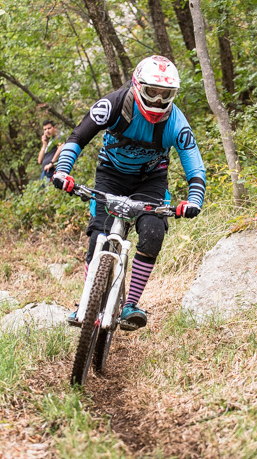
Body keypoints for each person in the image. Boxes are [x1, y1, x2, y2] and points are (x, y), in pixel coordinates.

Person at [52, 55, 206, 330]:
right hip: (110, 175)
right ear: (137, 86)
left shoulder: (176, 122)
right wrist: (63, 171)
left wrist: (195, 198)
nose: (158, 100)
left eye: (165, 94)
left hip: (150, 181)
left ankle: (130, 304)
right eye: (152, 92)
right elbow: (78, 137)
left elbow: (194, 165)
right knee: (98, 234)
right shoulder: (113, 104)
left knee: (152, 233)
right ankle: (86, 301)